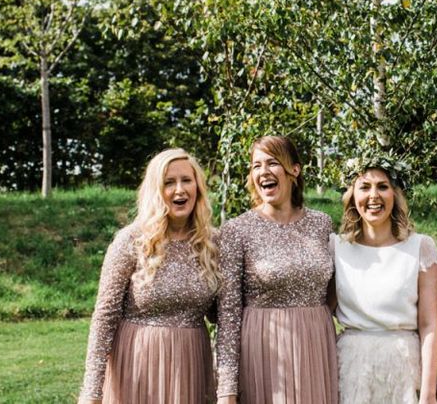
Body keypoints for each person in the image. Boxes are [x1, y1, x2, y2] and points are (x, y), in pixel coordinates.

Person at [79, 148, 230, 404]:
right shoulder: (131, 241)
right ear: (155, 190)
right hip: (137, 364)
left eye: (186, 180)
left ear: (198, 187)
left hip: (191, 366)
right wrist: (91, 392)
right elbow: (104, 317)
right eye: (169, 182)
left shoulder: (213, 243)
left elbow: (223, 316)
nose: (179, 190)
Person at [217, 135, 338, 403]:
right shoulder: (237, 230)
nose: (263, 172)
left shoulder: (322, 224)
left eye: (272, 163)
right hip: (263, 349)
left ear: (294, 169)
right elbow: (228, 313)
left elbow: (334, 290)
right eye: (256, 166)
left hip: (316, 345)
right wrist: (227, 390)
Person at [331, 156, 437, 404]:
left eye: (382, 186)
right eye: (365, 187)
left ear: (395, 193)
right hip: (352, 369)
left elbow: (429, 325)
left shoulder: (420, 247)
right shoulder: (336, 248)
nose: (374, 196)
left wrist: (428, 392)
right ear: (351, 195)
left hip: (403, 367)